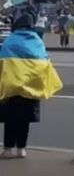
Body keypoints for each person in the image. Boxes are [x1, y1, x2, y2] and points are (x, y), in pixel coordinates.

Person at [0, 11, 63, 159]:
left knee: (10, 120)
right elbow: (45, 64)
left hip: (12, 87)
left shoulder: (10, 41)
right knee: (24, 120)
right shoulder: (37, 41)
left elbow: (2, 64)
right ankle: (22, 149)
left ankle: (8, 149)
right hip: (31, 88)